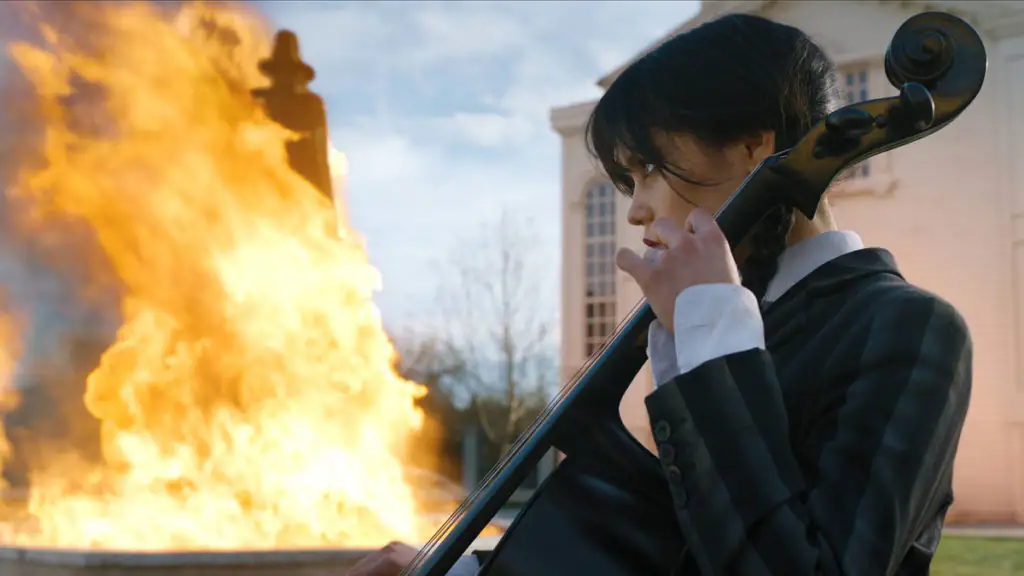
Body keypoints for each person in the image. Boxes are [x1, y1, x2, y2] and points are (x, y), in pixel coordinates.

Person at [349, 12, 972, 576]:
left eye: (649, 168)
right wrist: (466, 571)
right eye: (628, 179)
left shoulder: (908, 329)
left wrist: (712, 337)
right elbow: (665, 552)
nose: (636, 210)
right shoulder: (719, 327)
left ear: (753, 149)